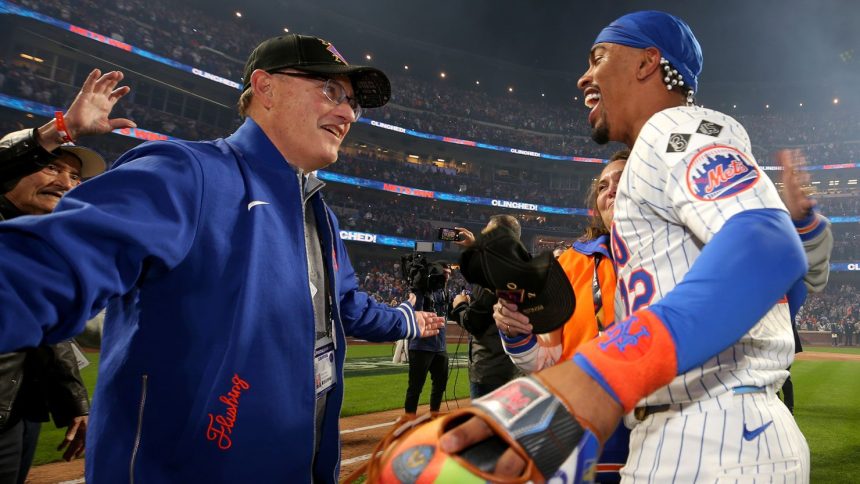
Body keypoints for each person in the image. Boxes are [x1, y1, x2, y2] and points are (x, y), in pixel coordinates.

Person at [0, 34, 444, 483]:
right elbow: (32, 272)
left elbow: (347, 306)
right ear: (265, 88)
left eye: (353, 103)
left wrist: (409, 320)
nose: (347, 113)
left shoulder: (320, 214)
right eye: (330, 91)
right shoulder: (183, 173)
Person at [433, 11, 810, 482]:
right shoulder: (657, 163)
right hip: (693, 429)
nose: (584, 76)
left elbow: (770, 248)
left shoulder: (671, 128)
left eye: (598, 57)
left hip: (713, 435)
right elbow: (789, 288)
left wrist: (601, 374)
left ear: (647, 62)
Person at [0, 68, 133, 484]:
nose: (65, 182)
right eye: (52, 167)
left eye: (75, 177)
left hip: (18, 411)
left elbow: (48, 334)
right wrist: (59, 131)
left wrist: (75, 399)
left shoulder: (45, 245)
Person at [449, 215, 522, 399]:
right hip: (515, 365)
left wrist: (459, 306)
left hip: (490, 369)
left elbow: (474, 322)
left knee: (487, 425)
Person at [403, 263, 451, 420]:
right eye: (444, 273)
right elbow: (415, 307)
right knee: (415, 387)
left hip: (440, 346)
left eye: (449, 273)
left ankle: (434, 415)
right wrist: (419, 284)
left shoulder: (445, 292)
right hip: (421, 346)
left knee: (441, 383)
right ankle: (408, 420)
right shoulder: (421, 291)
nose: (446, 276)